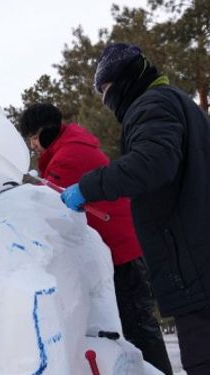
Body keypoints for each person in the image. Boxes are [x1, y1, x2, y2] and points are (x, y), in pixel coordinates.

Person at [60, 42, 210, 375]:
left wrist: (87, 187)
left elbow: (151, 164)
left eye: (107, 90)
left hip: (194, 266)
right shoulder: (179, 103)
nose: (106, 100)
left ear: (127, 80)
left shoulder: (152, 105)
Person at [19, 103, 172, 374]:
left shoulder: (69, 155)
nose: (34, 147)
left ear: (45, 131)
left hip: (120, 251)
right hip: (120, 247)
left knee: (138, 326)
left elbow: (50, 205)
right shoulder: (72, 146)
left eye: (33, 138)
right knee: (136, 324)